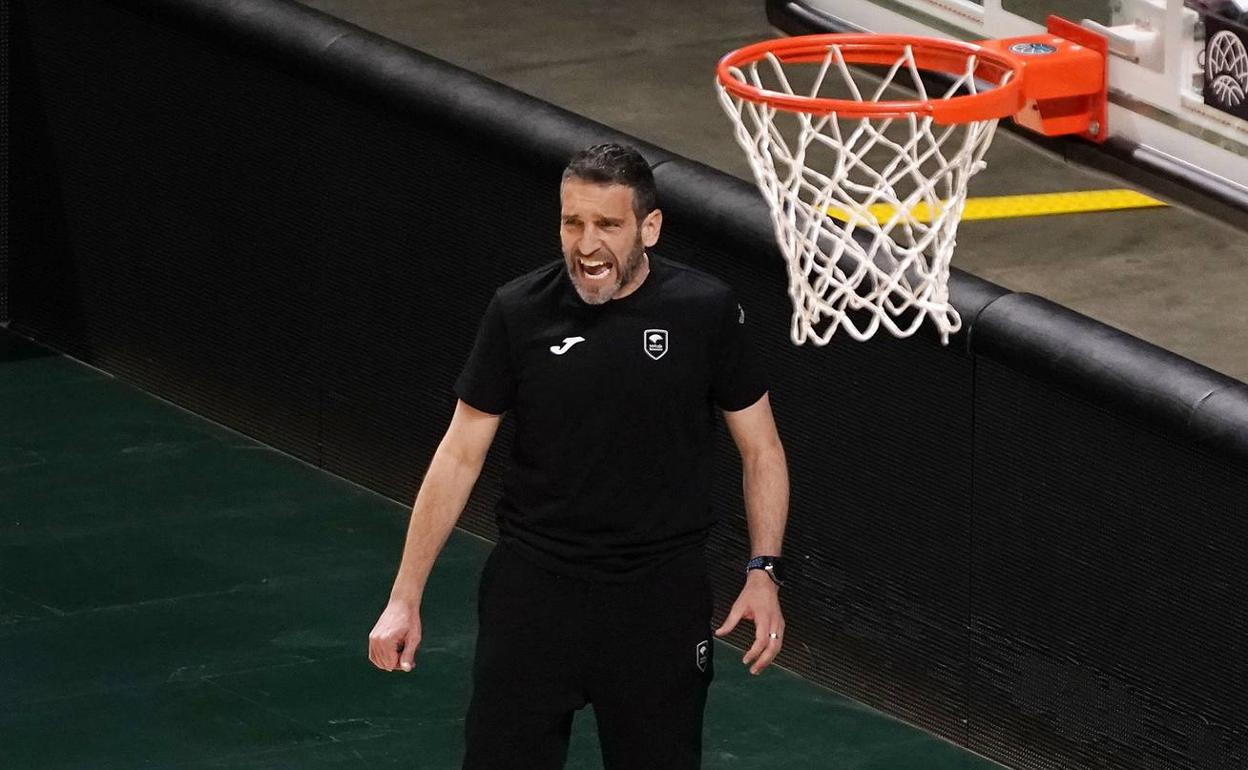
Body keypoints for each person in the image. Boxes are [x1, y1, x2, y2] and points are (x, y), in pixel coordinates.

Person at [367, 143, 790, 769]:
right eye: (573, 223)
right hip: (535, 595)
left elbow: (763, 449)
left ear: (649, 227)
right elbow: (458, 455)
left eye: (608, 225)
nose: (587, 245)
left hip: (658, 602)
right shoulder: (519, 311)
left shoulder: (705, 310)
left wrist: (764, 570)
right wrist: (405, 596)